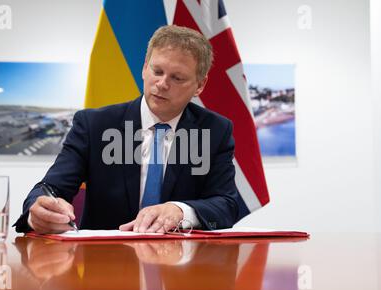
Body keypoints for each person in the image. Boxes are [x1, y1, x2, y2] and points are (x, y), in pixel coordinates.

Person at [13, 25, 246, 234]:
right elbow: (50, 188)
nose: (162, 84)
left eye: (177, 78)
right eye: (157, 71)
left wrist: (180, 211)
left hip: (181, 270)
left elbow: (227, 204)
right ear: (144, 69)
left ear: (200, 85)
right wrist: (38, 212)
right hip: (105, 267)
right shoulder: (94, 125)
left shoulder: (215, 130)